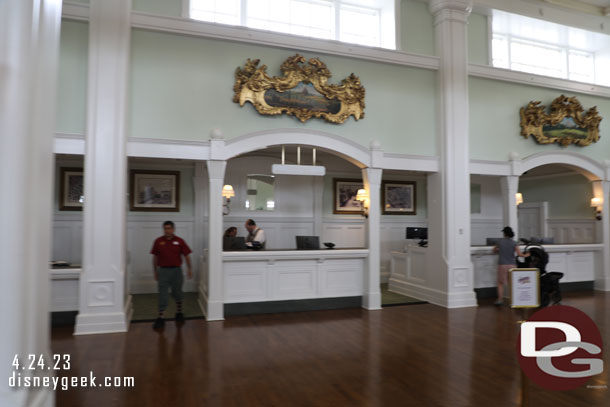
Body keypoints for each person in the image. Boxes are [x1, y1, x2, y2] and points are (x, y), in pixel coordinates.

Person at [150, 220, 192, 329]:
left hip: (176, 271)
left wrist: (189, 269)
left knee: (178, 293)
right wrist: (155, 271)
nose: (167, 230)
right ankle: (161, 317)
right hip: (163, 271)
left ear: (173, 229)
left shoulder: (180, 241)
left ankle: (179, 313)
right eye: (165, 228)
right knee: (162, 294)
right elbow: (155, 257)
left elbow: (186, 255)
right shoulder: (158, 241)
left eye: (169, 228)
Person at [493, 226, 529, 306]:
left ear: (504, 233)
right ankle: (513, 301)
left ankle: (500, 300)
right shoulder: (514, 242)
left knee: (500, 283)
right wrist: (527, 254)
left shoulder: (500, 241)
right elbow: (519, 254)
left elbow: (494, 250)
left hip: (502, 264)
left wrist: (499, 250)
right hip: (512, 265)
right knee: (512, 283)